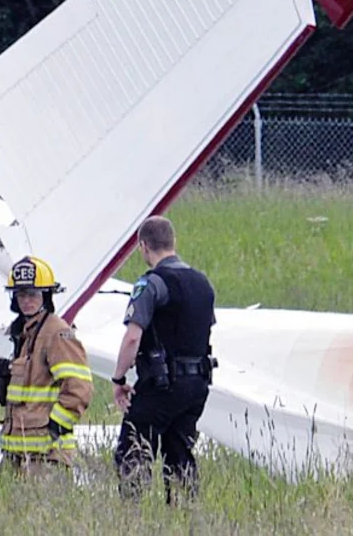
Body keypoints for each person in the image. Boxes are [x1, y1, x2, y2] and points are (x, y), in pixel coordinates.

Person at [112, 216, 217, 504]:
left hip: (161, 385)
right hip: (197, 386)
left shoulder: (152, 284)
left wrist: (119, 379)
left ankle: (131, 517)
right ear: (174, 242)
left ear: (143, 247)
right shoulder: (203, 284)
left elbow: (132, 338)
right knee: (180, 456)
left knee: (133, 451)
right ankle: (185, 514)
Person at [0, 255, 93, 476]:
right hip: (16, 452)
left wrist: (56, 427)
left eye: (33, 294)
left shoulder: (56, 333)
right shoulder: (25, 334)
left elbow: (79, 388)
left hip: (47, 457)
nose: (26, 300)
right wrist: (6, 380)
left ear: (45, 296)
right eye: (21, 294)